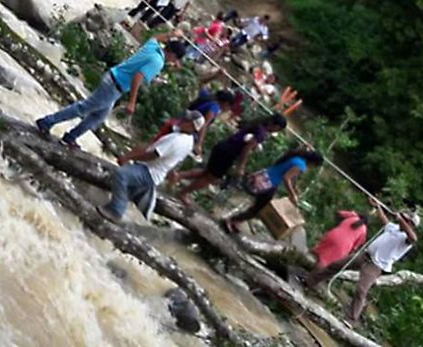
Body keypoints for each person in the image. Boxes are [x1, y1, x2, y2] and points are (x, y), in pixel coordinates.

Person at [37, 37, 188, 148]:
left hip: (112, 78)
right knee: (82, 108)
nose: (174, 63)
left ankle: (70, 137)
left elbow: (157, 37)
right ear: (173, 55)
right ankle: (47, 122)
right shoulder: (158, 62)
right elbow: (138, 77)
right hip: (114, 86)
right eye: (175, 60)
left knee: (98, 117)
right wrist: (132, 102)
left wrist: (172, 34)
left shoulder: (153, 46)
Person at [311, 196, 419, 327]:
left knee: (361, 290)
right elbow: (383, 219)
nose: (403, 219)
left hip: (376, 265)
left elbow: (413, 237)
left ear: (411, 224)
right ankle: (310, 281)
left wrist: (401, 220)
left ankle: (351, 319)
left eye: (407, 220)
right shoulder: (393, 227)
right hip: (365, 255)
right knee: (336, 265)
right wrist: (376, 206)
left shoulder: (407, 239)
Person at [99, 111, 201, 223]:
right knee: (127, 185)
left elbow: (152, 155)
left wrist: (129, 157)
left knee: (121, 175)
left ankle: (116, 211)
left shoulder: (176, 140)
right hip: (156, 173)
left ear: (192, 127)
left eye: (187, 121)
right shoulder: (189, 141)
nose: (183, 120)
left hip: (150, 172)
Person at [172, 113, 287, 206]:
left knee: (207, 172)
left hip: (223, 146)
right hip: (228, 153)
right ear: (276, 126)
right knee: (211, 178)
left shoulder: (257, 124)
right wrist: (241, 166)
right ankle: (183, 193)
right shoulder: (261, 133)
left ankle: (178, 176)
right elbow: (246, 148)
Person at [223, 149, 324, 232]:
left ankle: (236, 221)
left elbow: (288, 174)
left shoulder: (296, 157)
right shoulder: (301, 166)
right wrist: (292, 194)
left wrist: (294, 187)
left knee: (258, 207)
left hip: (265, 175)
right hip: (269, 184)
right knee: (260, 210)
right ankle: (232, 220)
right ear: (313, 163)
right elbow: (286, 178)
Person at [304, 210, 369, 286]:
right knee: (325, 263)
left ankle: (301, 259)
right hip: (343, 245)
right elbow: (356, 245)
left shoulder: (352, 216)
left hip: (334, 234)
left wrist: (350, 215)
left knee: (318, 251)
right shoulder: (364, 230)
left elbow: (339, 213)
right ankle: (309, 280)